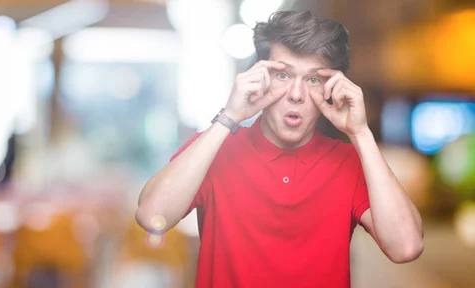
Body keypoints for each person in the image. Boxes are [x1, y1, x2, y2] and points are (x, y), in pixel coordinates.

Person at [136, 10, 423, 288]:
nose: (296, 95)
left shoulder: (349, 162)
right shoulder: (213, 149)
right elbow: (152, 217)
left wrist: (360, 133)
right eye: (283, 75)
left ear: (332, 89)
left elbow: (406, 247)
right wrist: (230, 117)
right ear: (258, 76)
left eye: (313, 79)